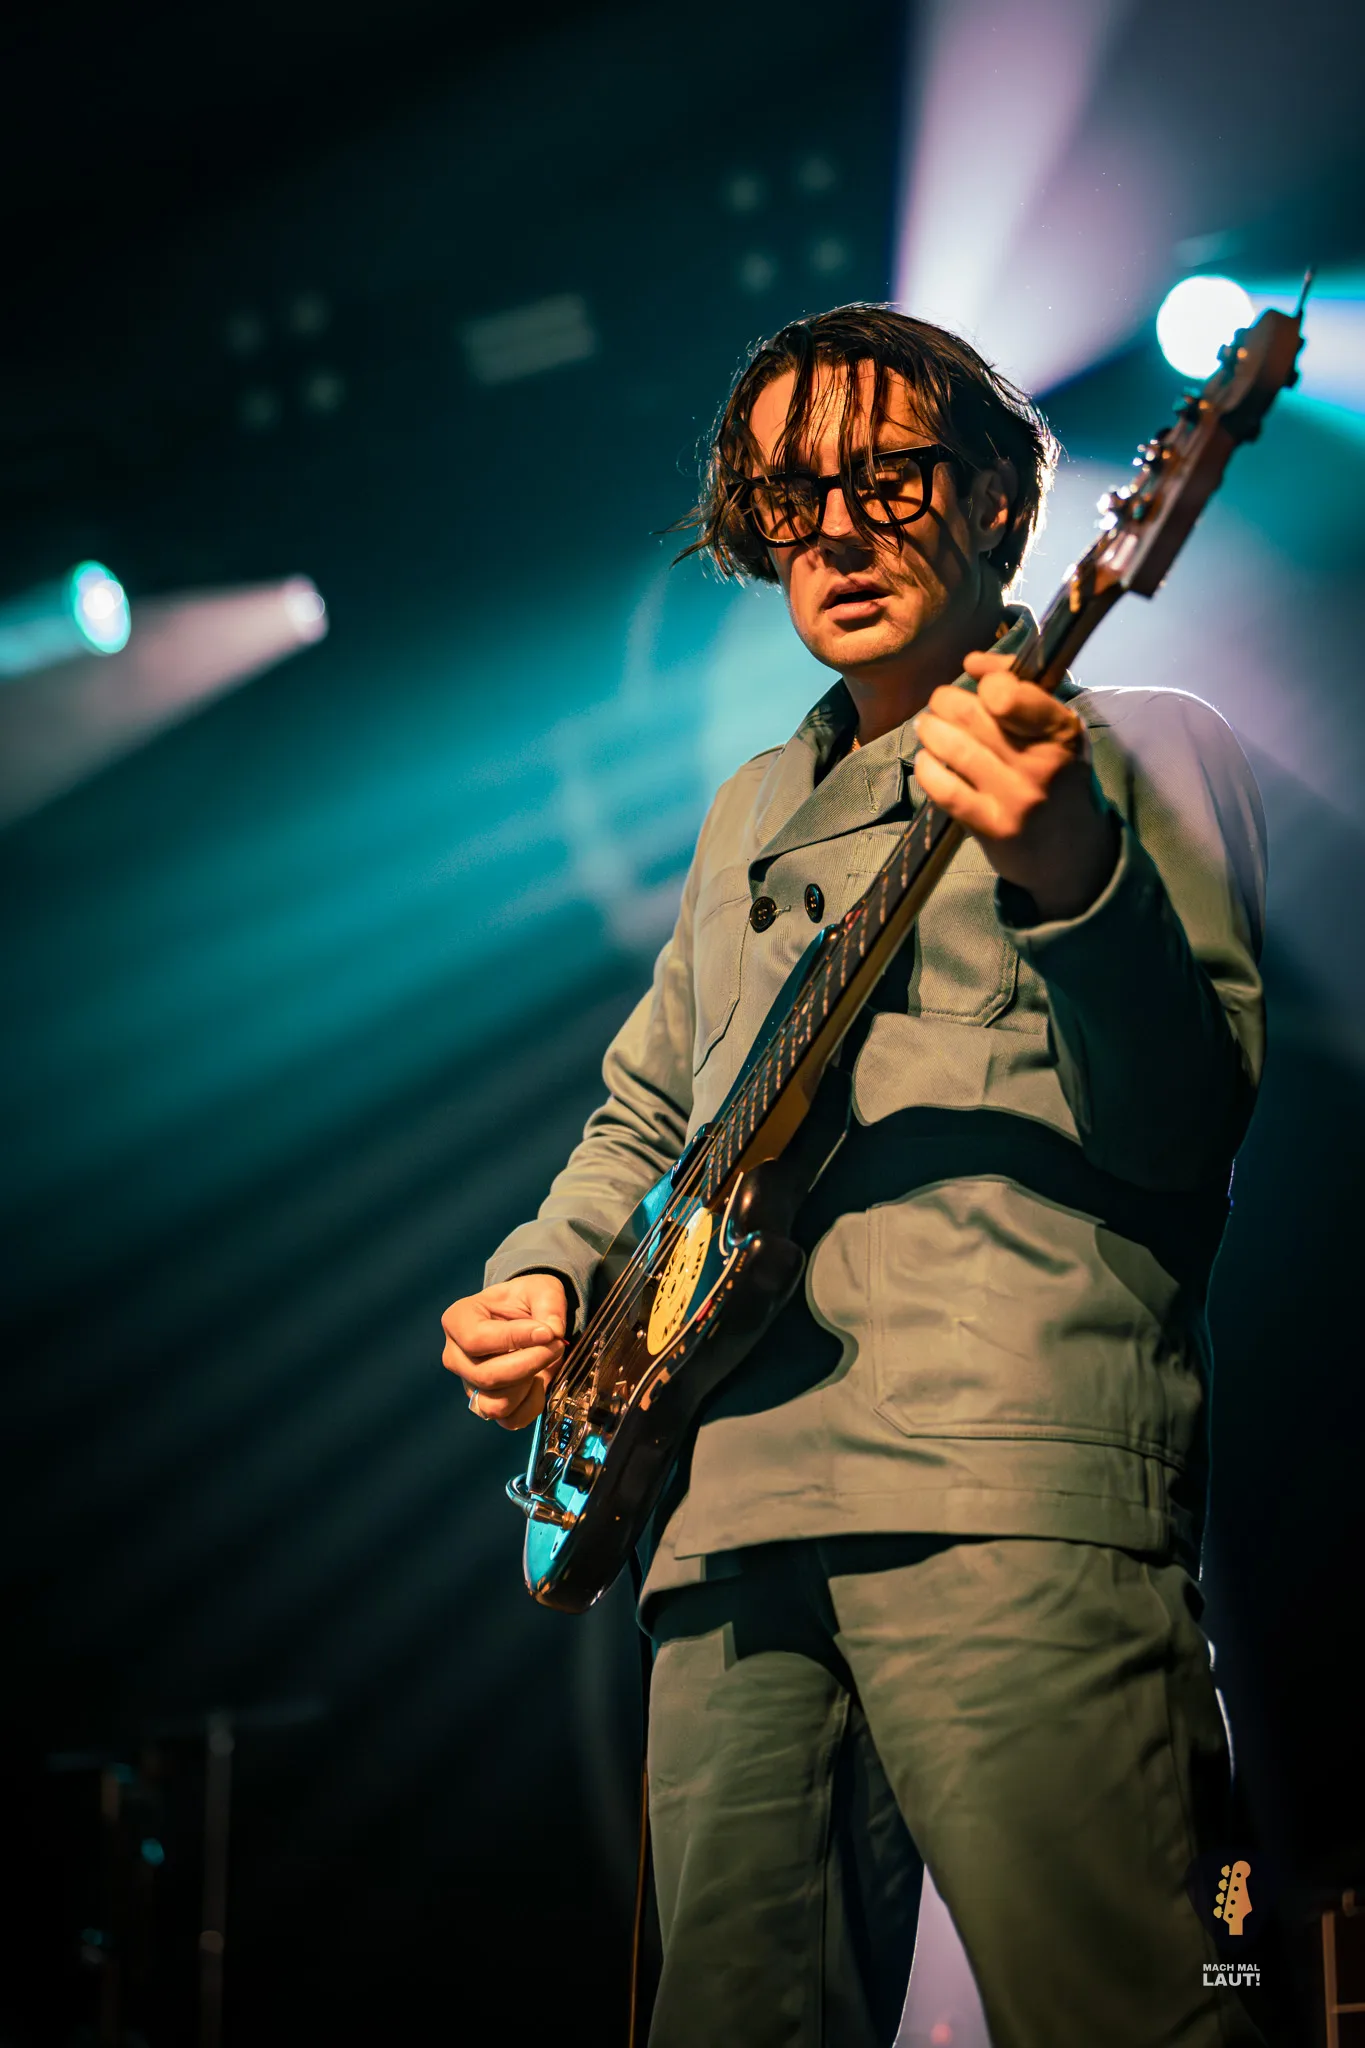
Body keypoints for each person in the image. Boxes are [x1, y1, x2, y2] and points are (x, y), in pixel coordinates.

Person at [440, 304, 1268, 2048]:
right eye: (787, 497)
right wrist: (547, 1277)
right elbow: (647, 1114)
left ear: (997, 501)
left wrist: (1068, 864)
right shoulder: (749, 809)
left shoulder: (1137, 746)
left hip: (1004, 1486)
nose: (833, 530)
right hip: (727, 1525)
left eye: (886, 479)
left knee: (1134, 2007)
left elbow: (1186, 1118)